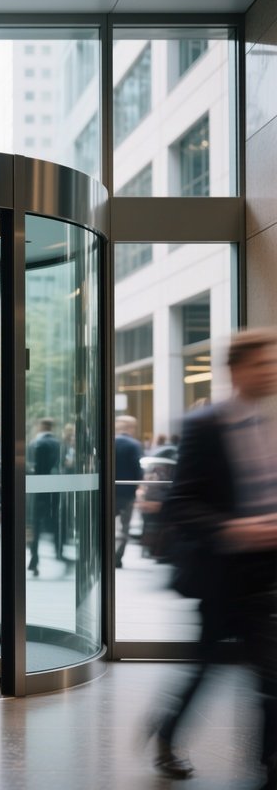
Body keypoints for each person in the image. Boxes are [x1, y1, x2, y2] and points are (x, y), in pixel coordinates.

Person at [147, 328, 277, 787]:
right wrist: (232, 528)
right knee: (205, 668)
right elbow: (179, 503)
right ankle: (167, 732)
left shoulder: (264, 425)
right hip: (221, 574)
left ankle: (267, 770)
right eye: (263, 364)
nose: (272, 371)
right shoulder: (204, 426)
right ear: (237, 369)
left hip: (263, 575)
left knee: (270, 676)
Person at [27, 417, 61, 577]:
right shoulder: (57, 443)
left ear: (40, 426)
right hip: (54, 488)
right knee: (53, 521)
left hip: (38, 489)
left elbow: (36, 467)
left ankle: (34, 558)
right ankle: (57, 550)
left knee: (35, 524)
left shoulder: (38, 443)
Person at [113, 415, 143, 568]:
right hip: (127, 492)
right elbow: (137, 469)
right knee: (125, 526)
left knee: (108, 524)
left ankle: (105, 552)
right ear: (130, 428)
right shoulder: (134, 444)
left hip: (110, 491)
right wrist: (138, 486)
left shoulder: (110, 441)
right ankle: (117, 557)